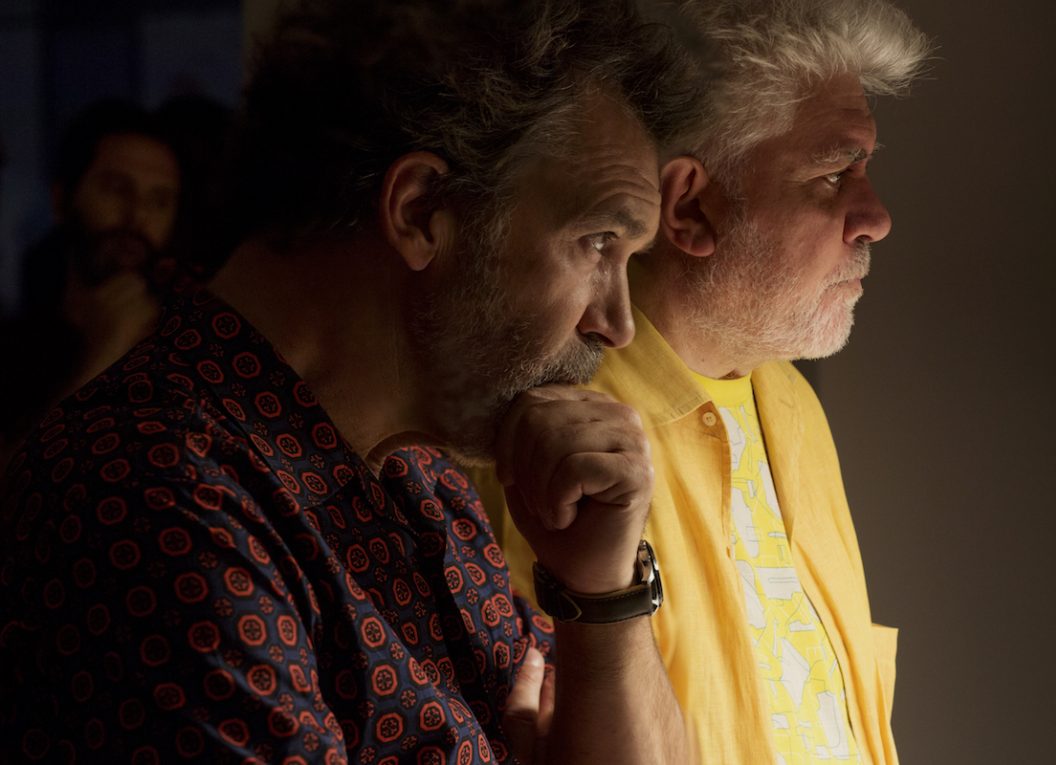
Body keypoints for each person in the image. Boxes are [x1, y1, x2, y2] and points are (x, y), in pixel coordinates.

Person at [0, 1, 704, 762]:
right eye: (598, 242)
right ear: (422, 210)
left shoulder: (422, 477)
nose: (616, 323)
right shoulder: (154, 486)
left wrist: (603, 595)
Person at [485, 0, 931, 762]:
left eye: (865, 168)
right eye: (834, 174)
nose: (876, 217)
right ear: (691, 207)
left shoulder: (792, 404)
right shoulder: (549, 442)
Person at [0, 99, 181, 469]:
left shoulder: (186, 357)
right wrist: (101, 358)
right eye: (116, 189)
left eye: (159, 201)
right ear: (61, 200)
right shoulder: (11, 354)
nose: (137, 217)